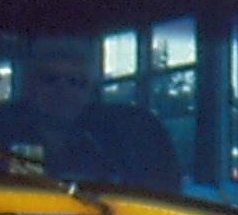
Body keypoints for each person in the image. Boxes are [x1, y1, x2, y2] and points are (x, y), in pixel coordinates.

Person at [19, 34, 183, 192]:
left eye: (76, 81)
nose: (63, 89)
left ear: (90, 90)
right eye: (50, 79)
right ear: (29, 85)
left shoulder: (127, 143)